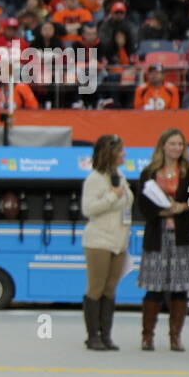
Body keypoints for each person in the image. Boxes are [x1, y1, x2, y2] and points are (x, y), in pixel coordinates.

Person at [136, 129, 189, 352]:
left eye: (180, 144)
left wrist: (181, 207)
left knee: (180, 288)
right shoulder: (149, 172)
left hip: (183, 236)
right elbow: (142, 205)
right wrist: (163, 212)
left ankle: (175, 336)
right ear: (162, 146)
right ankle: (147, 336)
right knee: (153, 287)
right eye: (173, 143)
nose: (177, 148)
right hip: (158, 235)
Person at [81, 135, 133, 351]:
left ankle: (106, 335)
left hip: (119, 241)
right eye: (121, 151)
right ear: (110, 153)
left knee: (111, 289)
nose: (125, 154)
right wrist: (113, 197)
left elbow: (128, 201)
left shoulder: (120, 175)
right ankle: (93, 336)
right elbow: (88, 209)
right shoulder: (94, 179)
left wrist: (122, 194)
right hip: (99, 241)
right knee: (96, 287)